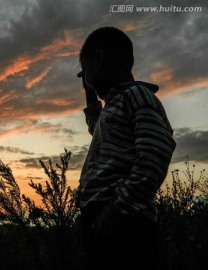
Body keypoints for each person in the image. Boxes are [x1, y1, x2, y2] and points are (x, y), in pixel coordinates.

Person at [75, 26, 176, 270]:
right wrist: (90, 95)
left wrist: (117, 210)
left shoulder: (138, 96)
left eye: (85, 69)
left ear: (99, 59)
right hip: (104, 218)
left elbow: (155, 154)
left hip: (124, 222)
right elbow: (99, 129)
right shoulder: (116, 104)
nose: (85, 76)